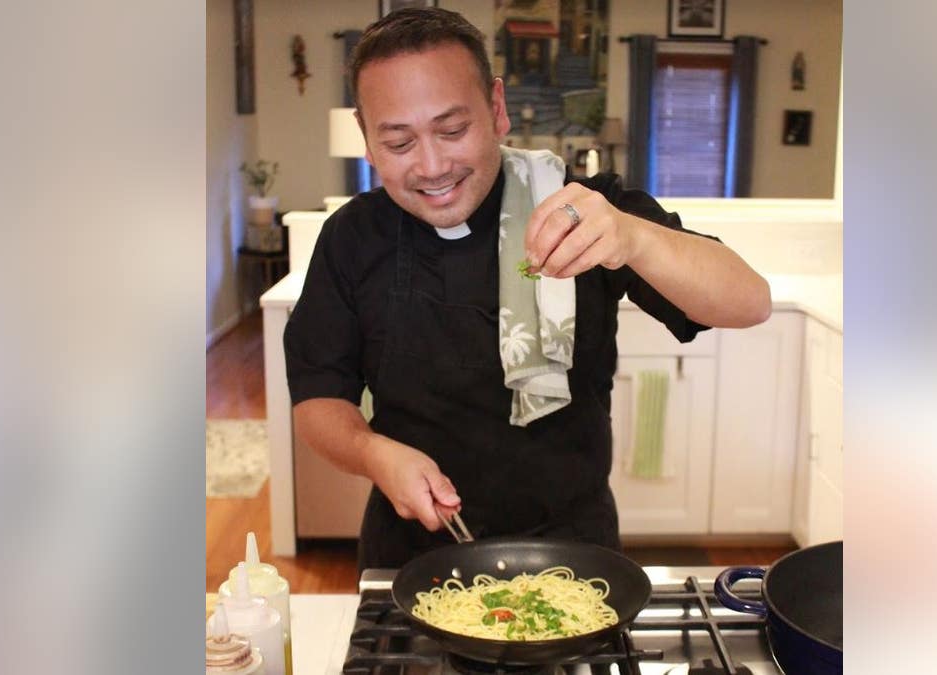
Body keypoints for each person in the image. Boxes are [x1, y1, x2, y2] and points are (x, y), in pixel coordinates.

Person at [284, 7, 771, 571]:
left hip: (573, 552)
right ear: (367, 140)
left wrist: (635, 237)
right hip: (412, 553)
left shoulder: (584, 210)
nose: (433, 165)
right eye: (398, 143)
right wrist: (374, 454)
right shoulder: (351, 237)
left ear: (495, 109)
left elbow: (750, 302)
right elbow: (318, 399)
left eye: (453, 129)